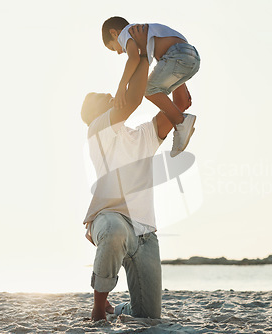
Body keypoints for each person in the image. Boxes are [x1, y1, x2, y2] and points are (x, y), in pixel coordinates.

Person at [81, 25, 179, 321]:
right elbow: (134, 100)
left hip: (145, 233)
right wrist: (143, 53)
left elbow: (180, 107)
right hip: (109, 218)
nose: (110, 95)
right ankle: (99, 306)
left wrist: (175, 68)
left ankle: (118, 309)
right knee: (113, 231)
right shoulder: (97, 130)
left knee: (149, 317)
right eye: (103, 97)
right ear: (94, 114)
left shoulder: (142, 136)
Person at [102, 16, 200, 157]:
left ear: (113, 33)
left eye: (113, 47)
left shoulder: (128, 32)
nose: (118, 52)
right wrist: (178, 80)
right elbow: (142, 64)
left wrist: (121, 87)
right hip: (190, 57)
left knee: (147, 89)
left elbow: (134, 59)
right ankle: (180, 124)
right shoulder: (146, 34)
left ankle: (180, 121)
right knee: (155, 87)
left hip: (177, 54)